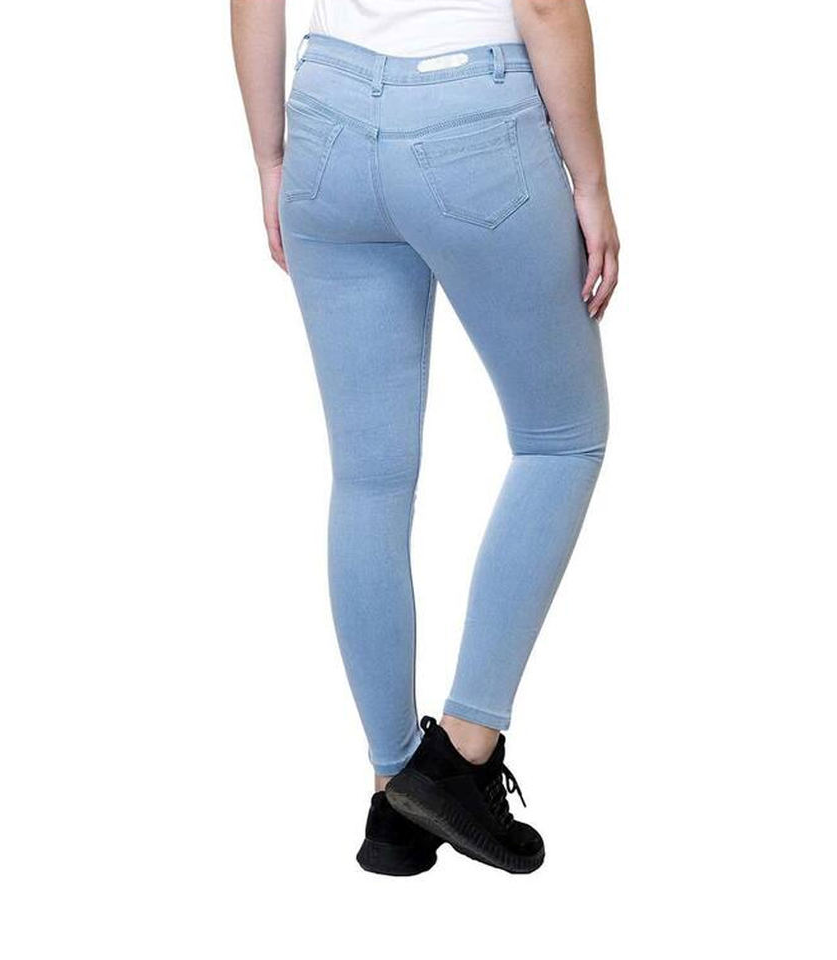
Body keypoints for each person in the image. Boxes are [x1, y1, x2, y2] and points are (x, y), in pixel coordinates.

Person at [231, 0, 619, 875]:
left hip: (326, 120)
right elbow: (545, 5)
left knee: (369, 478)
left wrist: (269, 160)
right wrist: (591, 185)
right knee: (562, 440)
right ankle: (462, 753)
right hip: (474, 124)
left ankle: (392, 795)